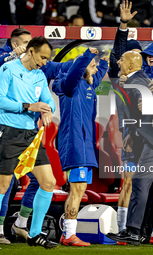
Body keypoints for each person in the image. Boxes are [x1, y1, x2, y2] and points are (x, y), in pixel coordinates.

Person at [109, 1, 153, 245]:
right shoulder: (135, 77)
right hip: (140, 135)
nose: (150, 62)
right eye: (146, 58)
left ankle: (141, 231)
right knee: (144, 183)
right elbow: (118, 59)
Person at [0, 36, 58, 250]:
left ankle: (34, 234)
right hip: (9, 134)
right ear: (32, 51)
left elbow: (49, 102)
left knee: (49, 182)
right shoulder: (8, 69)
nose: (44, 62)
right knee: (2, 185)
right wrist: (28, 106)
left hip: (31, 137)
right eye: (42, 57)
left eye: (47, 59)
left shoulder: (39, 76)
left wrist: (46, 110)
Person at [53, 47, 108, 246]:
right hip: (74, 144)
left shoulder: (88, 85)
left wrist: (104, 60)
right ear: (82, 67)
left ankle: (69, 233)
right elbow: (78, 70)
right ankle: (69, 234)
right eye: (91, 67)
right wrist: (86, 56)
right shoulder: (70, 85)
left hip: (85, 145)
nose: (95, 70)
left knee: (81, 188)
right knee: (76, 189)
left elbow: (100, 69)